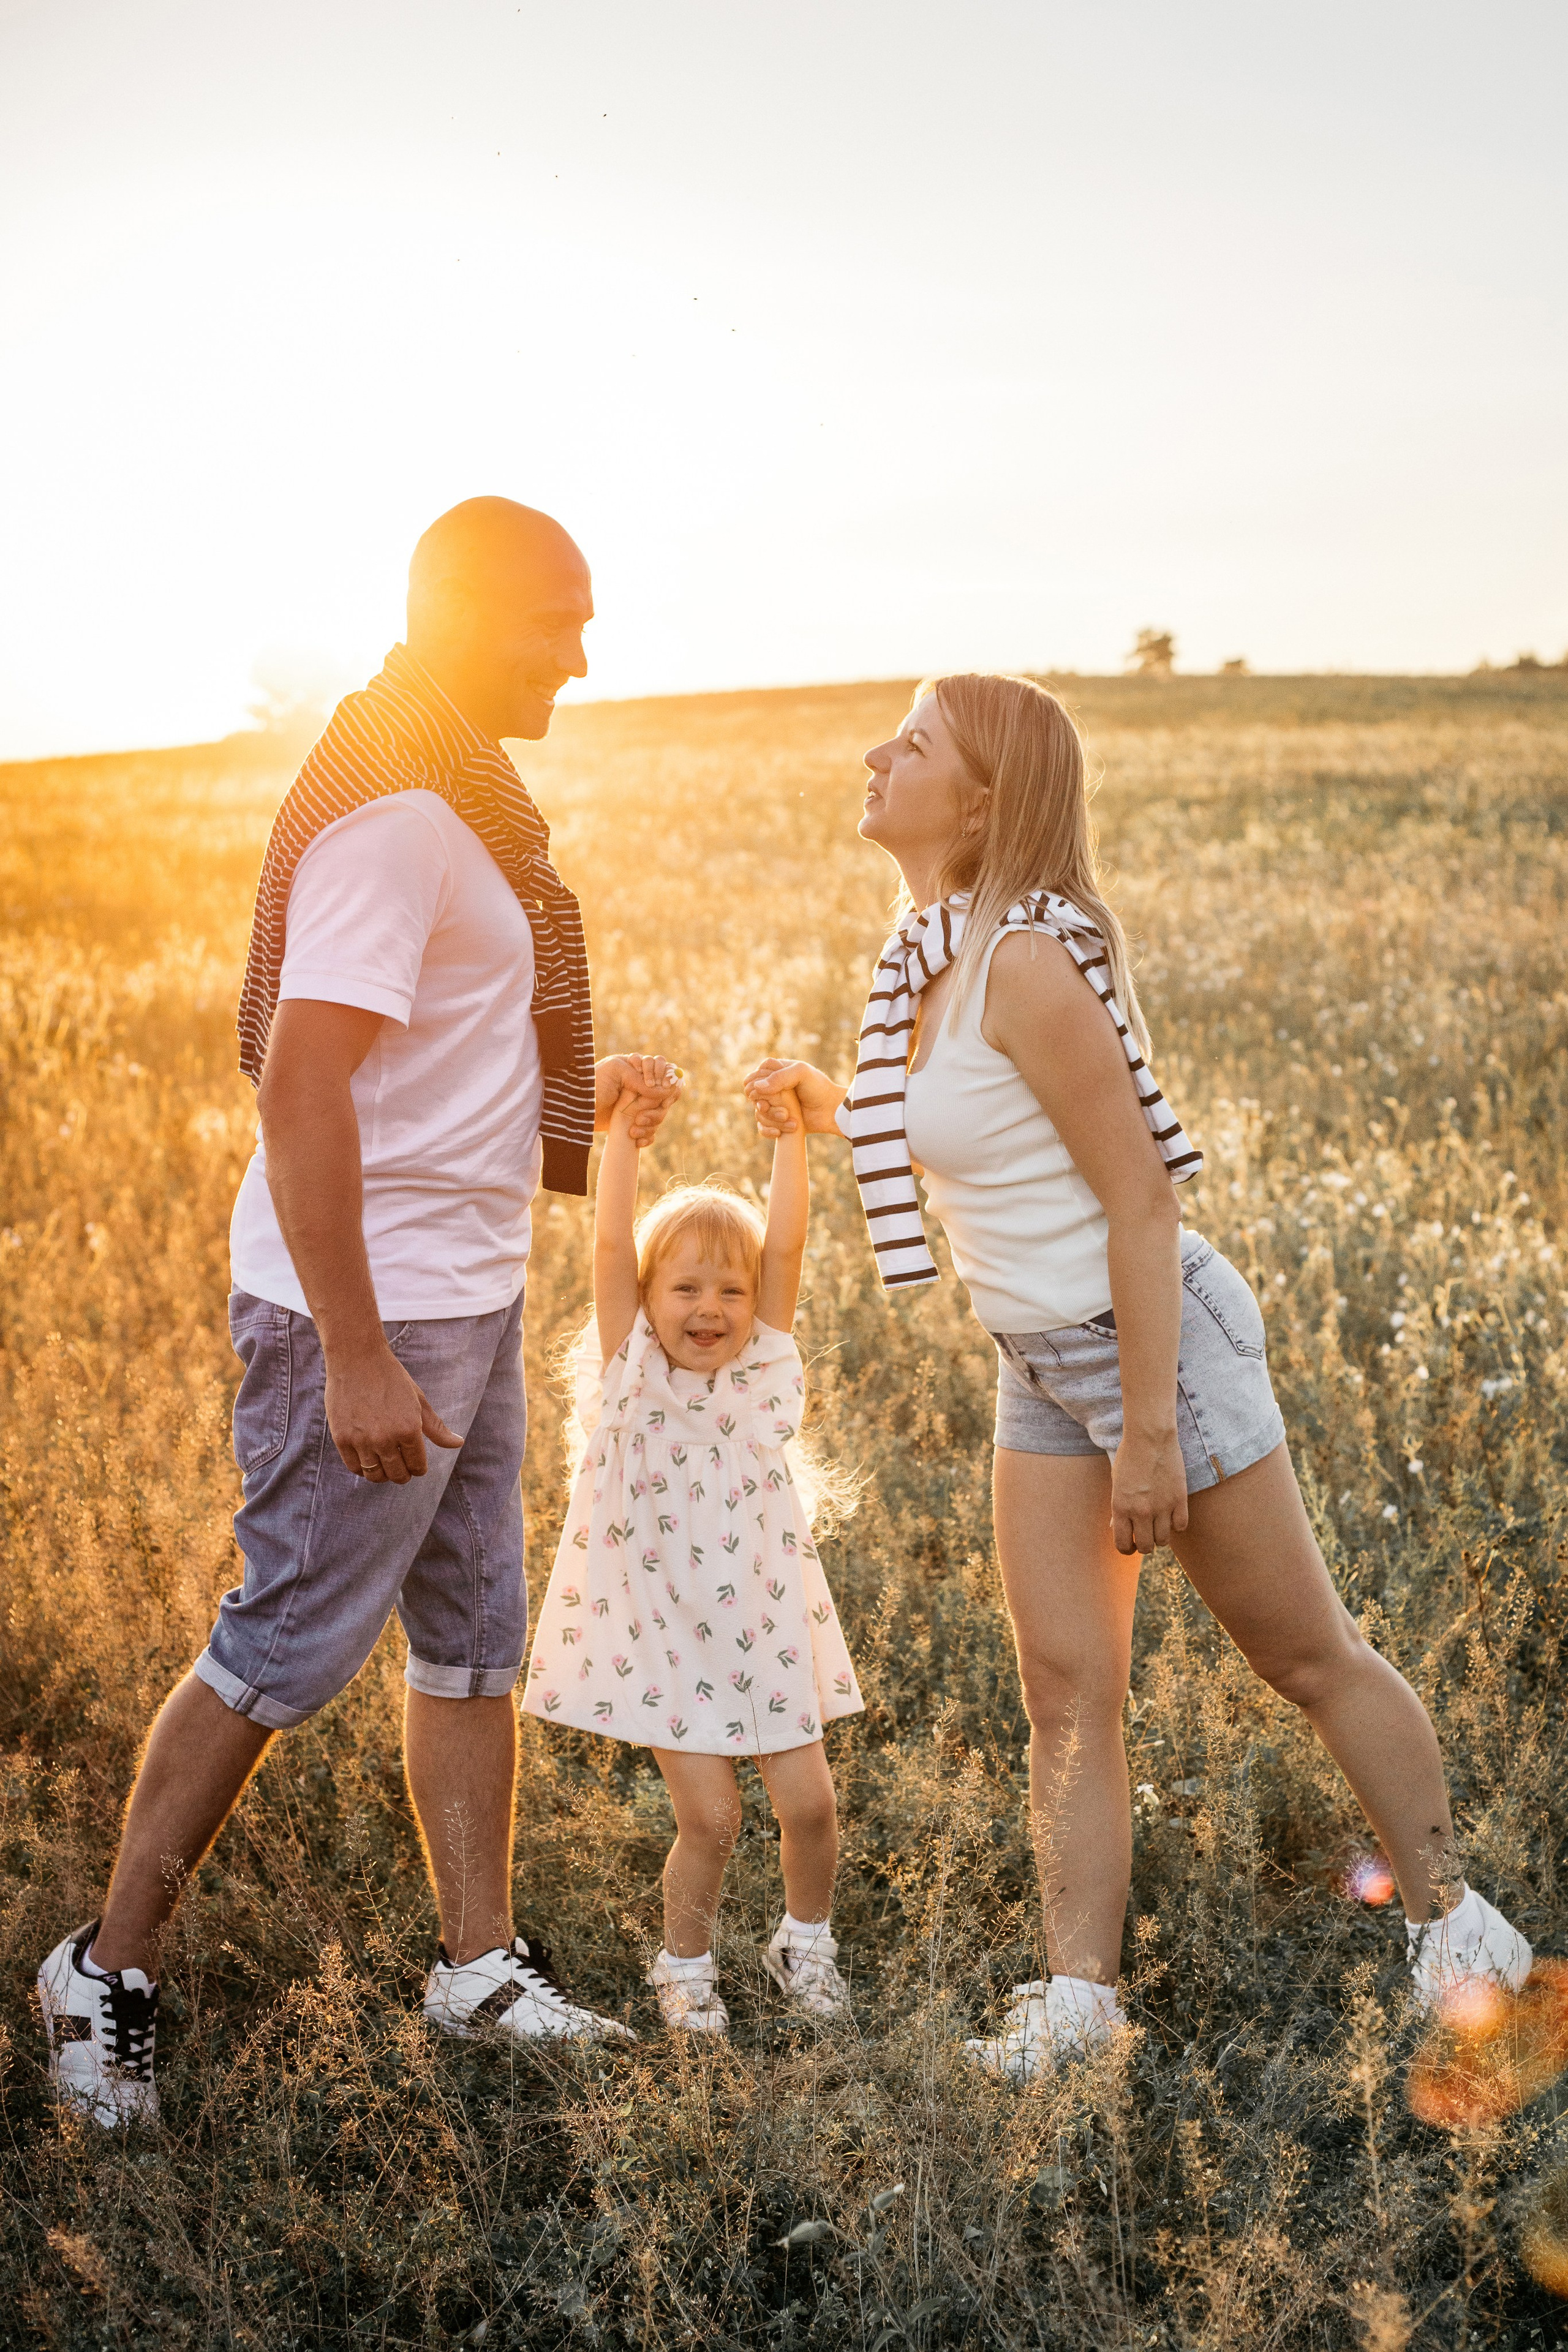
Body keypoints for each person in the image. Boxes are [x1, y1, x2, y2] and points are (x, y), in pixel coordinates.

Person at [745, 670, 1532, 2081]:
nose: (878, 755)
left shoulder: (1027, 960)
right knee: (1063, 1688)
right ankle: (1077, 2006)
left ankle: (1462, 1933)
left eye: (911, 743)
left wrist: (1151, 1432)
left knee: (1301, 1653)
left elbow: (1140, 1203)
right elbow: (971, 1129)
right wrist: (830, 1107)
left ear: (980, 799)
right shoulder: (929, 954)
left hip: (1150, 1341)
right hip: (1039, 1360)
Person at [38, 497, 682, 2126]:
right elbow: (304, 1081)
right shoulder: (400, 813)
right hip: (376, 1314)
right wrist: (352, 1349)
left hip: (461, 1298)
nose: (584, 653)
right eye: (560, 617)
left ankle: (476, 1969)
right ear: (469, 613)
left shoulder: (457, 795)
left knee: (471, 1651)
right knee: (278, 1650)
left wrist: (559, 1093)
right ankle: (104, 1973)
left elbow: (412, 1052)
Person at [522, 1060, 864, 2034]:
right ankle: (686, 1967)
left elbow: (788, 1249)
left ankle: (806, 1946)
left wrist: (792, 1139)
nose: (708, 1309)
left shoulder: (758, 1378)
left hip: (764, 1621)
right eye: (684, 1289)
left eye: (730, 1290)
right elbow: (605, 1242)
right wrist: (622, 1136)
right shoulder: (632, 1382)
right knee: (712, 1820)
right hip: (666, 1633)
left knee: (811, 1806)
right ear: (646, 1294)